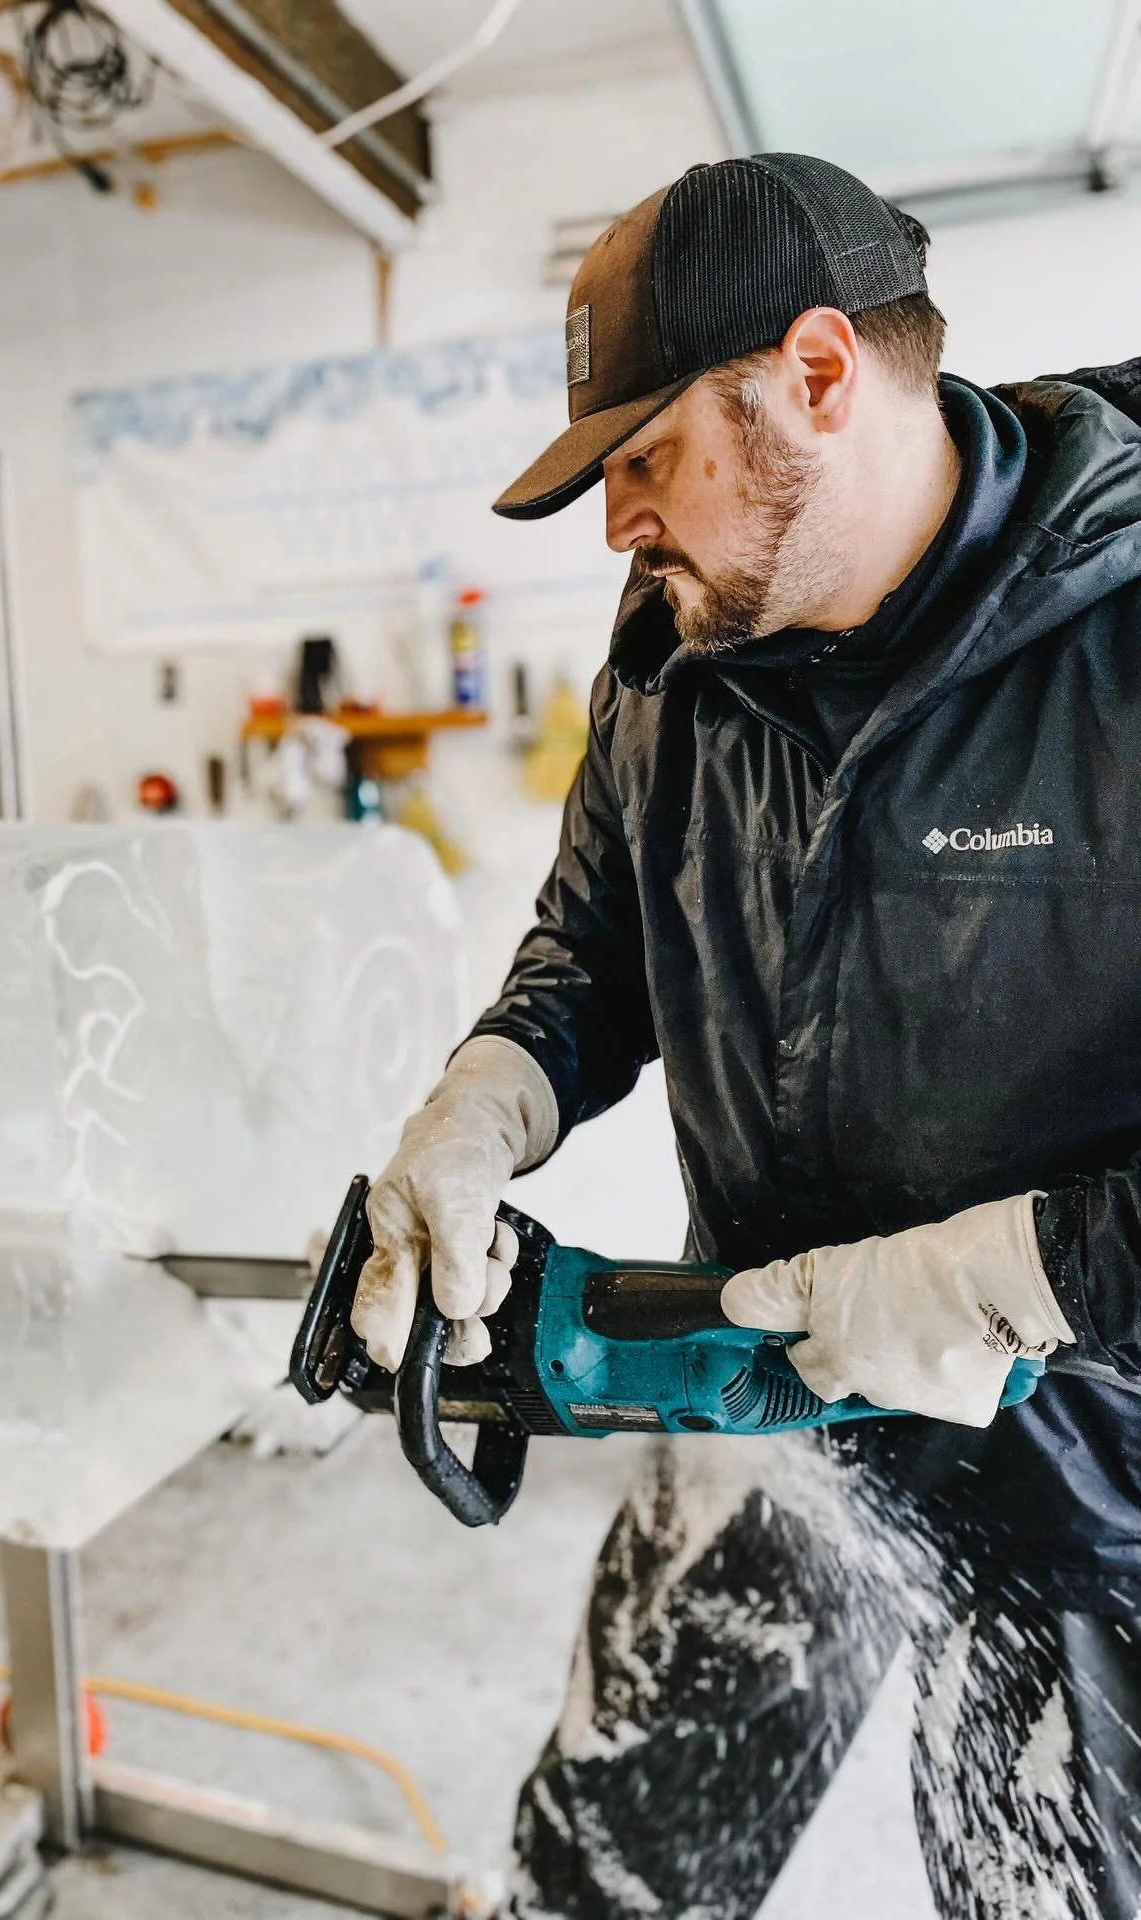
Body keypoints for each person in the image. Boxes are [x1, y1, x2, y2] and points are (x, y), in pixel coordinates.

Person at [349, 153, 1141, 1919]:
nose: (617, 519)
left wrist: (1015, 1273)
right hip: (770, 1397)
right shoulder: (677, 655)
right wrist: (491, 1099)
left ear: (818, 377)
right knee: (600, 1880)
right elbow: (595, 947)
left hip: (1104, 1501)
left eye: (645, 457)